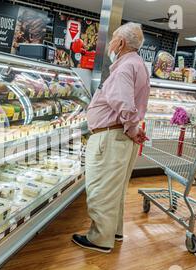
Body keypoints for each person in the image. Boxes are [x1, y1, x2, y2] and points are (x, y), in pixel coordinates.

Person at [72, 22, 150, 253]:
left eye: (113, 39)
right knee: (115, 189)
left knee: (100, 190)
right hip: (120, 136)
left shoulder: (125, 67)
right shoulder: (137, 64)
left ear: (121, 43)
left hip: (109, 136)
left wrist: (132, 127)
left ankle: (99, 239)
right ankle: (114, 231)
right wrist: (132, 127)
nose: (110, 44)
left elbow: (124, 104)